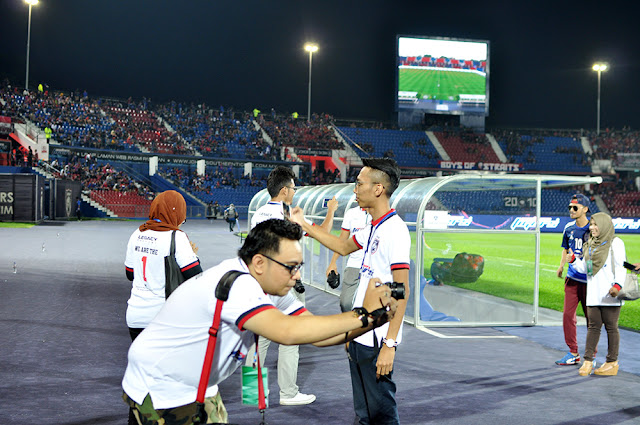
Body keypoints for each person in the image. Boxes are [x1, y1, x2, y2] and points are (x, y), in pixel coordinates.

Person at [122, 219, 397, 424]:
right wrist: (363, 314)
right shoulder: (237, 284)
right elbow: (287, 332)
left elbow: (316, 334)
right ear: (259, 262)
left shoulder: (269, 287)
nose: (297, 276)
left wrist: (375, 320)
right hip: (160, 389)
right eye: (291, 267)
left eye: (299, 267)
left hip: (198, 386)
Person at [291, 158, 410, 425]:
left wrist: (390, 344)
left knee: (382, 412)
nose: (355, 190)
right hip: (360, 330)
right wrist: (305, 225)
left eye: (360, 184)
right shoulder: (372, 225)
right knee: (364, 412)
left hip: (378, 336)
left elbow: (402, 290)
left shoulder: (395, 230)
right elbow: (343, 247)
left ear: (378, 189)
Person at [250, 165, 337, 406]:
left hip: (261, 284)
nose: (295, 192)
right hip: (286, 285)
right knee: (291, 338)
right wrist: (331, 212)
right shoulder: (289, 215)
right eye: (294, 188)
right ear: (285, 190)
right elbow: (322, 233)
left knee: (259, 341)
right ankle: (288, 393)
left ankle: (252, 391)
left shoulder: (258, 214)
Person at [571, 213, 626, 376]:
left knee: (611, 327)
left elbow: (621, 266)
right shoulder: (590, 244)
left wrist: (617, 285)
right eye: (591, 224)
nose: (592, 227)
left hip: (610, 293)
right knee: (593, 327)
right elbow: (585, 269)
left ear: (604, 225)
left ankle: (611, 362)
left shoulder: (615, 242)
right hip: (594, 293)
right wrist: (573, 260)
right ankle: (588, 361)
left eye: (596, 224)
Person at [555, 193, 591, 366]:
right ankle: (573, 352)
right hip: (572, 279)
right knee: (568, 316)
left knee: (592, 319)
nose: (571, 210)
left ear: (585, 209)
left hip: (590, 281)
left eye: (575, 207)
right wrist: (561, 265)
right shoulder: (568, 228)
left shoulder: (593, 228)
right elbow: (565, 248)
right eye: (570, 207)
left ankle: (591, 355)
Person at [326, 206, 371, 312]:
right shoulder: (351, 213)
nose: (356, 191)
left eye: (358, 188)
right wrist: (333, 262)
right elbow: (342, 239)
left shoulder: (380, 213)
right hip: (354, 264)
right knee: (345, 303)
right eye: (355, 188)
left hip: (373, 267)